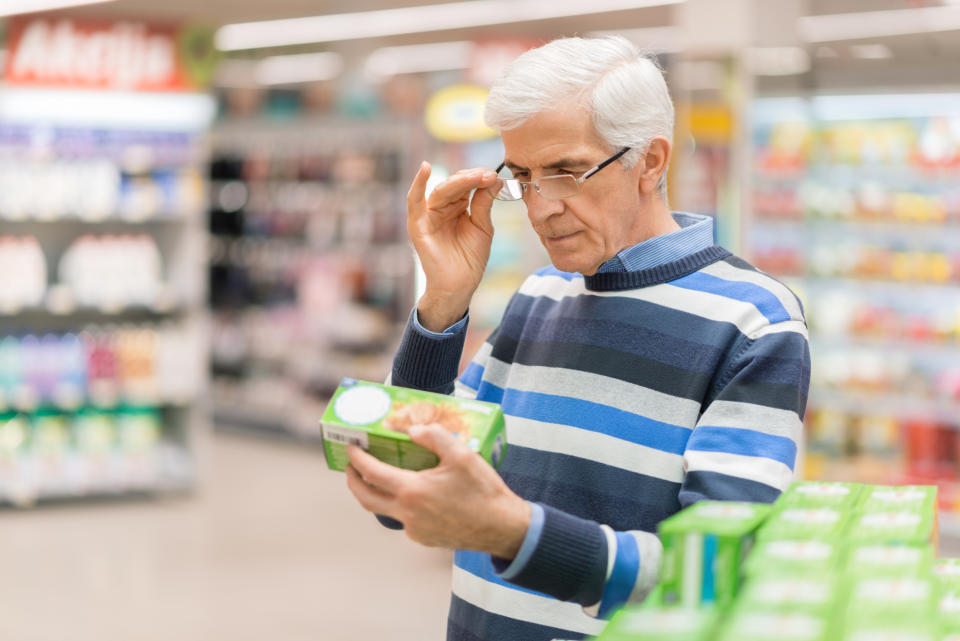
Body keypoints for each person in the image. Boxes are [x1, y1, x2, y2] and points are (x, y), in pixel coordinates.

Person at [344, 36, 810, 641]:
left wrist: (515, 534)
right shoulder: (540, 297)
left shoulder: (754, 322)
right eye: (522, 177)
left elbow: (715, 574)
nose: (541, 209)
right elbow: (404, 488)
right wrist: (441, 304)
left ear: (651, 161)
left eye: (565, 172)